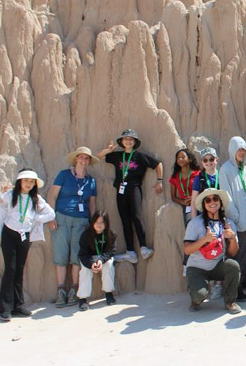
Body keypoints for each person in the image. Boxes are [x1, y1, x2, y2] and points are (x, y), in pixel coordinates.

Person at [0, 169, 55, 321]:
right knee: (11, 268)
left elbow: (51, 214)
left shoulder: (35, 198)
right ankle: (4, 308)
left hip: (25, 235)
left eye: (31, 181)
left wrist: (36, 217)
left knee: (20, 269)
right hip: (10, 234)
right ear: (20, 181)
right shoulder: (10, 195)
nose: (29, 184)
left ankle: (18, 306)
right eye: (26, 180)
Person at [97, 129, 163, 263]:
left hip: (133, 188)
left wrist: (160, 181)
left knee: (136, 217)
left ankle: (143, 247)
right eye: (126, 139)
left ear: (135, 142)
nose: (128, 141)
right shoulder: (117, 156)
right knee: (124, 219)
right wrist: (109, 150)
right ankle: (130, 252)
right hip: (120, 190)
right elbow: (100, 156)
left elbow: (158, 164)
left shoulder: (140, 156)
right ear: (121, 141)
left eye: (131, 139)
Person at [47, 146, 99, 308]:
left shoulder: (91, 181)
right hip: (62, 217)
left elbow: (91, 203)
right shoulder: (64, 175)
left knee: (77, 254)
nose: (83, 160)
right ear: (76, 159)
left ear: (89, 162)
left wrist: (93, 223)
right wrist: (51, 216)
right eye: (81, 157)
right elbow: (52, 195)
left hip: (81, 221)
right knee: (61, 252)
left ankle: (74, 290)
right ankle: (61, 290)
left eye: (86, 158)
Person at [184, 188, 242, 314]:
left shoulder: (228, 224)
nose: (212, 202)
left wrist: (232, 238)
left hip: (217, 266)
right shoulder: (195, 223)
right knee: (199, 296)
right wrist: (205, 239)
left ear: (220, 202)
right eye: (208, 200)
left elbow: (233, 253)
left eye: (215, 199)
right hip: (197, 268)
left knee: (233, 266)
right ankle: (196, 295)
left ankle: (230, 302)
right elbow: (187, 250)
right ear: (204, 205)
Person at [220, 136, 246, 302]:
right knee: (240, 255)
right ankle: (235, 287)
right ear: (232, 150)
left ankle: (244, 280)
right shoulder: (226, 169)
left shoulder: (243, 168)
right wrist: (235, 216)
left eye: (244, 150)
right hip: (239, 220)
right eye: (239, 150)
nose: (242, 153)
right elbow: (226, 196)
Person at [76, 210, 117, 311]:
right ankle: (83, 298)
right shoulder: (86, 235)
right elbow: (83, 254)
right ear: (93, 222)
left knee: (109, 265)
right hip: (89, 259)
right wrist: (91, 264)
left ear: (106, 224)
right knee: (85, 271)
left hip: (103, 258)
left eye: (102, 222)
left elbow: (111, 251)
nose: (99, 225)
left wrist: (101, 261)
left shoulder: (110, 234)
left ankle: (109, 293)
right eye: (97, 222)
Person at [169, 148, 201, 226]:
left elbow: (205, 190)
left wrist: (195, 198)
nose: (180, 159)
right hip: (188, 206)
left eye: (183, 157)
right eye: (178, 158)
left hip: (200, 204)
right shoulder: (174, 177)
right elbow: (173, 197)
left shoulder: (198, 174)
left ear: (189, 159)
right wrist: (183, 202)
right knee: (190, 226)